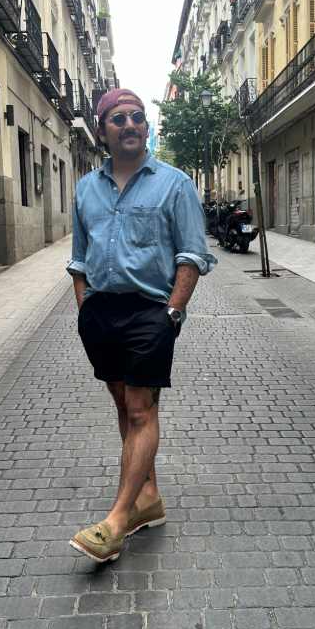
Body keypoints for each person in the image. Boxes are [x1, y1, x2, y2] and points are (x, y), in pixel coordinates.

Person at [67, 88, 215, 562]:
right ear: (103, 130)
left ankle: (116, 519)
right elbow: (78, 258)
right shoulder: (86, 188)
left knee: (139, 410)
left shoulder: (174, 183)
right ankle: (148, 498)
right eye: (118, 118)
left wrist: (172, 314)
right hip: (101, 313)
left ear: (146, 127)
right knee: (122, 404)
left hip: (152, 310)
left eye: (137, 117)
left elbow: (192, 253)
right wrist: (84, 309)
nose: (130, 124)